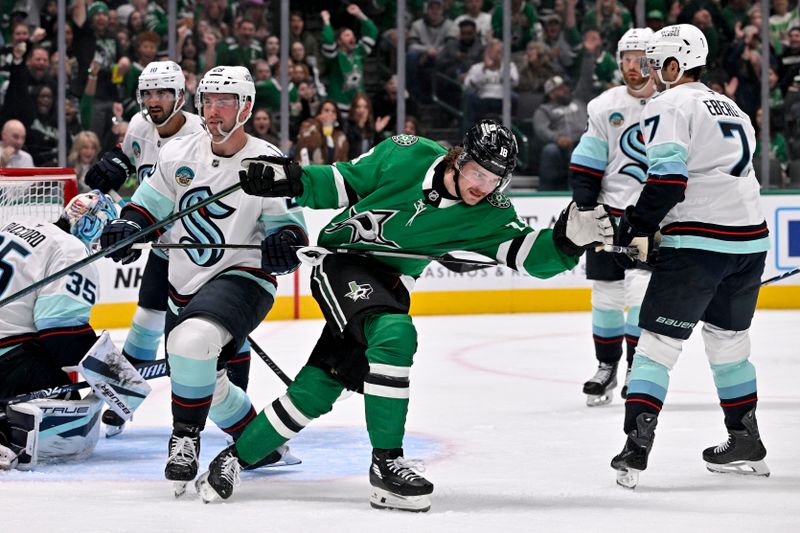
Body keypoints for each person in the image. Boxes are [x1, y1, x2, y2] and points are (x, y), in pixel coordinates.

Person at [193, 119, 615, 509]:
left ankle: (233, 458)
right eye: (477, 173)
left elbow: (527, 255)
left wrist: (566, 242)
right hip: (344, 263)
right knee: (394, 334)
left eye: (494, 179)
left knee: (317, 389)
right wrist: (294, 180)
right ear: (459, 158)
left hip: (390, 284)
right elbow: (343, 181)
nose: (482, 186)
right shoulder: (407, 153)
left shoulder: (490, 212)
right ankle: (387, 464)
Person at [98, 65, 308, 496]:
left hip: (245, 278)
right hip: (184, 283)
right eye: (208, 101)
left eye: (224, 102)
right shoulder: (179, 153)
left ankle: (185, 438)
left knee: (190, 343)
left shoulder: (267, 161)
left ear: (245, 107)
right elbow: (147, 207)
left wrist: (285, 242)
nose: (213, 111)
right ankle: (259, 444)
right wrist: (128, 227)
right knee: (205, 378)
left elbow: (290, 228)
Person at [610, 24, 771, 489]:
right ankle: (746, 439)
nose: (652, 72)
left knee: (657, 345)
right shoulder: (732, 107)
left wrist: (636, 225)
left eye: (657, 63)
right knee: (729, 344)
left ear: (675, 63)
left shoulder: (669, 104)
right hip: (749, 242)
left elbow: (668, 179)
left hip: (700, 242)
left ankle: (636, 447)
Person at [85, 60, 208, 437]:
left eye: (163, 93)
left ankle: (233, 408)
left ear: (180, 96)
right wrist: (116, 165)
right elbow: (132, 161)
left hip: (201, 254)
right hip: (163, 249)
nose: (154, 100)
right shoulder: (139, 126)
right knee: (144, 323)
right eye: (148, 93)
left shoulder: (200, 135)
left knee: (207, 333)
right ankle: (123, 401)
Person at [569, 28, 655, 407]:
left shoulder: (674, 104)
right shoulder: (605, 105)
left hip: (652, 219)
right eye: (626, 59)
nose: (632, 67)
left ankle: (637, 368)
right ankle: (607, 367)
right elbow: (587, 163)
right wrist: (585, 208)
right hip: (611, 215)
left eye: (640, 59)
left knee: (639, 294)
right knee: (605, 296)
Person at [0, 191, 116, 469]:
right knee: (68, 412)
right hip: (8, 361)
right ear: (92, 225)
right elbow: (63, 338)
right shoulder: (71, 251)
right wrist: (112, 372)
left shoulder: (17, 224)